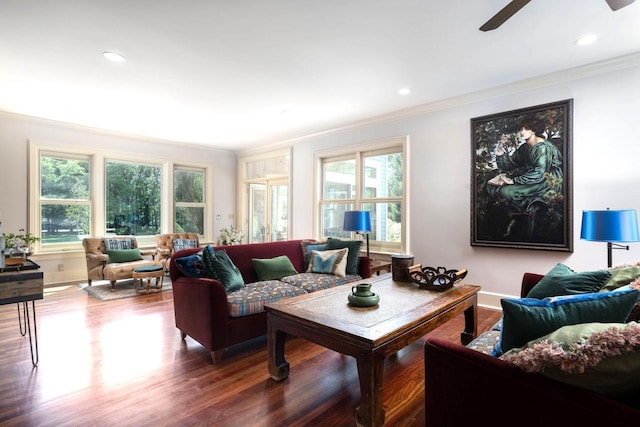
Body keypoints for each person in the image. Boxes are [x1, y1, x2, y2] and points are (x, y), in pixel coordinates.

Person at [485, 120, 563, 239]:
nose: (522, 132)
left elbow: (540, 173)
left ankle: (529, 213)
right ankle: (518, 216)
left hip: (547, 180)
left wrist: (513, 181)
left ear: (534, 129)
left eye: (526, 128)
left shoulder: (542, 148)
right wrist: (500, 149)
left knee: (507, 191)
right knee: (490, 186)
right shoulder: (524, 148)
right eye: (520, 129)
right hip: (531, 178)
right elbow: (509, 165)